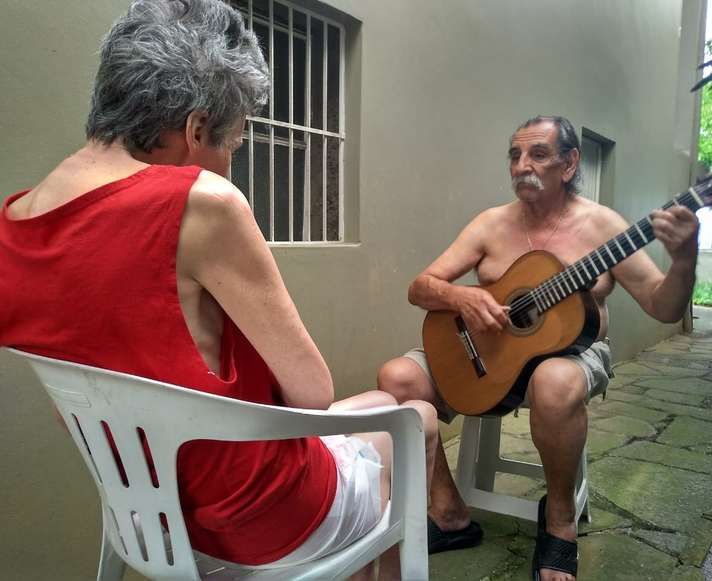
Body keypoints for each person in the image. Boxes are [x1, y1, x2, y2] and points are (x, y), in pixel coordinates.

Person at [0, 1, 437, 579]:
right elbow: (310, 394)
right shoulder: (199, 203)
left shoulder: (17, 220)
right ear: (195, 129)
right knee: (421, 420)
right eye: (232, 145)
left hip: (146, 513)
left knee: (382, 405)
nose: (229, 166)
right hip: (256, 521)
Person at [377, 115, 698, 581]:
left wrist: (685, 260)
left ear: (569, 164)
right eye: (514, 155)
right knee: (396, 377)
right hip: (490, 353)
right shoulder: (490, 223)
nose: (521, 165)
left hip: (573, 355)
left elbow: (662, 306)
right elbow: (420, 287)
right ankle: (448, 513)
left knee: (552, 380)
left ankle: (560, 524)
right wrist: (461, 296)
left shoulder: (603, 225)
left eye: (538, 154)